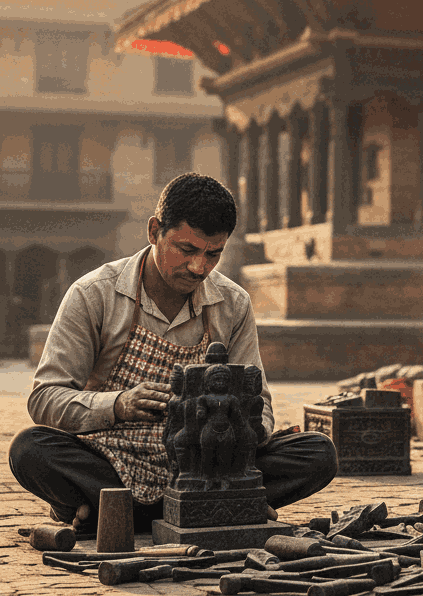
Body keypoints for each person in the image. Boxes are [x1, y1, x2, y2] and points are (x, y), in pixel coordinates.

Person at [9, 173, 338, 533]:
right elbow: (44, 398)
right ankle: (213, 509)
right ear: (154, 232)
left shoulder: (233, 304)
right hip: (111, 457)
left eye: (213, 254)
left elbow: (258, 401)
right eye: (187, 250)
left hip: (203, 468)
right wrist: (117, 404)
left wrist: (243, 427)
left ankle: (116, 510)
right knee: (29, 450)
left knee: (318, 453)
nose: (199, 267)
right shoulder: (93, 294)